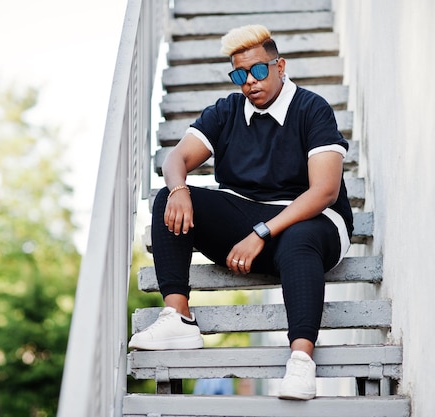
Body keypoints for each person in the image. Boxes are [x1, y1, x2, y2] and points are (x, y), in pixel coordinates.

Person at [128, 24, 353, 401]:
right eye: (239, 74)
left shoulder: (312, 108)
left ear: (280, 66)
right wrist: (180, 189)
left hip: (312, 221)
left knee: (299, 237)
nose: (250, 82)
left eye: (259, 70)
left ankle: (301, 360)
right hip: (248, 218)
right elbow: (176, 159)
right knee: (168, 198)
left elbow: (324, 191)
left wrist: (261, 232)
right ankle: (179, 319)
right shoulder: (227, 110)